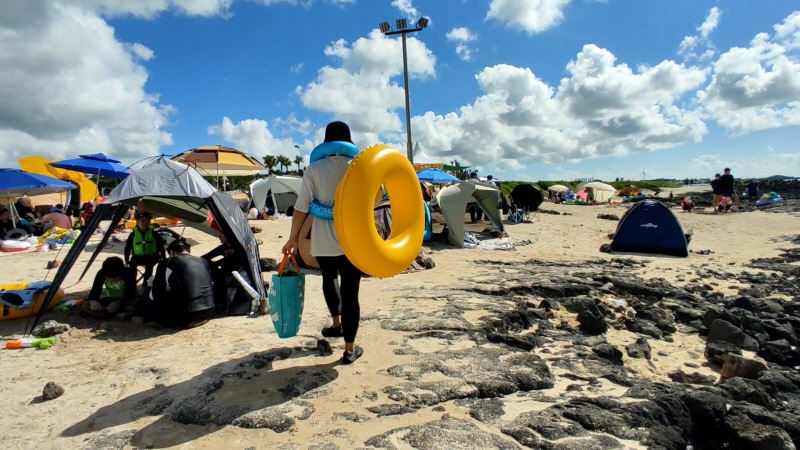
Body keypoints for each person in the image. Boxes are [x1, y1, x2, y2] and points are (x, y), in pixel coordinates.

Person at [282, 120, 364, 364]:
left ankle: (337, 324)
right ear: (348, 140)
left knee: (329, 279)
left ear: (327, 141)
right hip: (353, 242)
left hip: (323, 241)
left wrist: (293, 237)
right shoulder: (358, 167)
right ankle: (350, 349)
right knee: (351, 294)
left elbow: (300, 207)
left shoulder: (314, 168)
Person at [132, 240, 216, 329]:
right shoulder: (203, 261)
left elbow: (155, 296)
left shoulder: (168, 262)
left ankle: (139, 316)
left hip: (186, 318)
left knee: (147, 295)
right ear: (188, 250)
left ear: (171, 251)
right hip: (209, 312)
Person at [203, 230, 249, 311]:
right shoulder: (222, 248)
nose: (219, 236)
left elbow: (230, 259)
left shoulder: (238, 247)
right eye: (219, 234)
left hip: (238, 275)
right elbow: (206, 257)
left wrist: (215, 264)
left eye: (222, 234)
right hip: (225, 274)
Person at [125, 211, 166, 287]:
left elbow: (161, 247)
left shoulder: (154, 233)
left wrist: (164, 258)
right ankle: (132, 284)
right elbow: (128, 247)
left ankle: (145, 284)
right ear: (137, 221)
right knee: (131, 268)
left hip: (152, 257)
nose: (145, 222)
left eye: (147, 220)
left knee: (149, 267)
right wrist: (126, 258)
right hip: (137, 257)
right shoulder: (133, 234)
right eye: (142, 220)